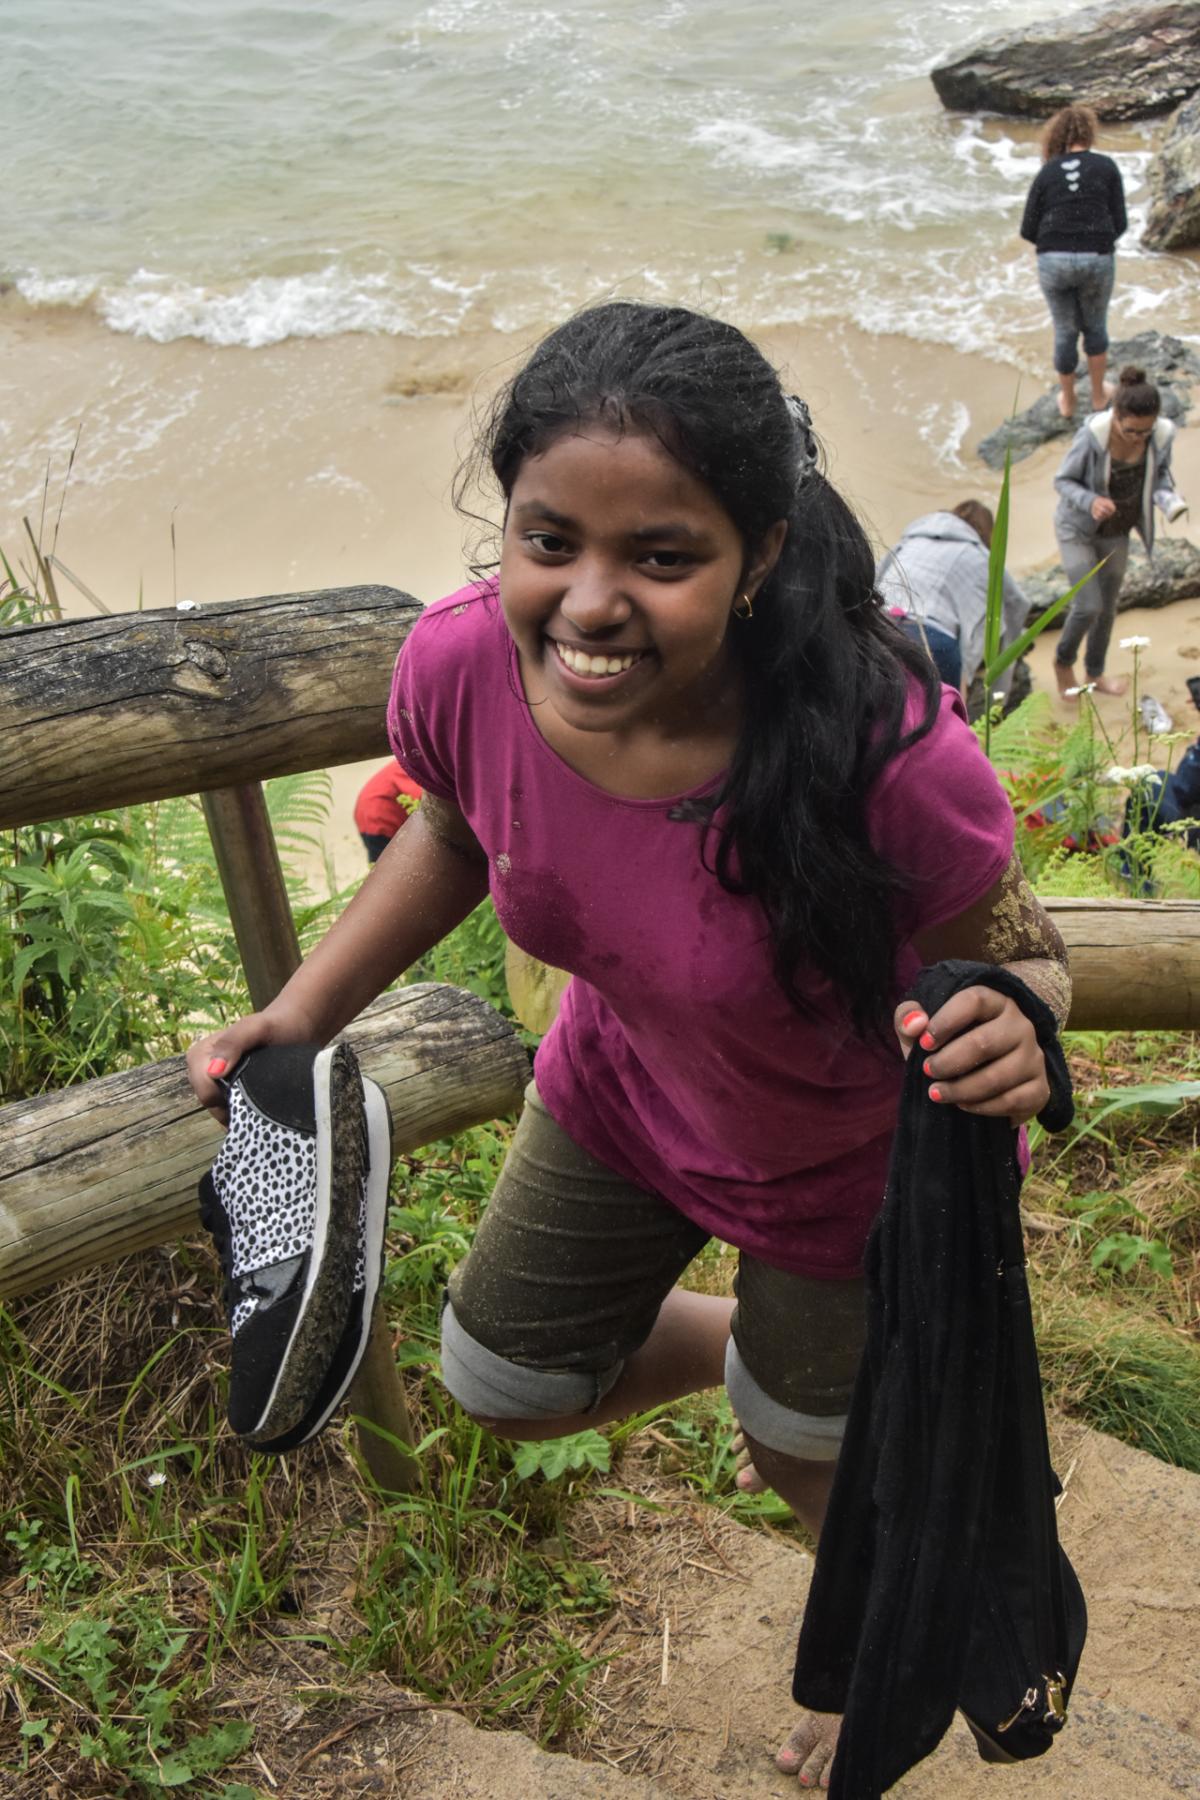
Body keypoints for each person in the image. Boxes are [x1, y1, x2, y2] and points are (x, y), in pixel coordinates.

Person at [187, 302, 1069, 1789]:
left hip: (846, 1169)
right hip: (623, 1098)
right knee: (505, 1381)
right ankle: (772, 1364)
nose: (589, 605)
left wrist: (1019, 1019)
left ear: (759, 556)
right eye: (550, 542)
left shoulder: (887, 753)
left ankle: (866, 1639)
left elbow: (1031, 953)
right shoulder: (464, 665)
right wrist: (301, 1014)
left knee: (801, 1452)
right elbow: (455, 828)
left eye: (662, 558)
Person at [1053, 365, 1188, 700]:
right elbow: (1063, 480)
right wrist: (1091, 501)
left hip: (1118, 529)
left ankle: (1095, 672)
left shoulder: (1161, 436)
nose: (1138, 438)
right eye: (1131, 431)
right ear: (1115, 416)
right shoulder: (1091, 438)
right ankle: (1063, 663)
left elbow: (1160, 475)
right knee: (1088, 605)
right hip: (1077, 528)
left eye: (1145, 431)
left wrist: (1167, 497)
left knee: (1108, 607)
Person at [1020, 103, 1127, 420]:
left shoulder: (1047, 172)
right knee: (1095, 327)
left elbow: (1028, 228)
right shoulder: (1106, 167)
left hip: (1054, 259)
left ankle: (1067, 401)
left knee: (1065, 331)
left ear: (1057, 136)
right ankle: (1098, 396)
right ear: (1089, 133)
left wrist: (1058, 246)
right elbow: (1120, 222)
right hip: (1097, 257)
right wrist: (1094, 241)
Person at [876, 500, 1029, 699]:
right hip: (933, 639)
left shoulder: (911, 541)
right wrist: (1001, 680)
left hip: (881, 626)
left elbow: (870, 581)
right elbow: (1017, 602)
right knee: (942, 715)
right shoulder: (980, 556)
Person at [353, 756, 423, 862]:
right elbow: (421, 798)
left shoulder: (409, 759)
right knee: (388, 864)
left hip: (367, 814)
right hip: (379, 819)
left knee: (381, 864)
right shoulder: (414, 765)